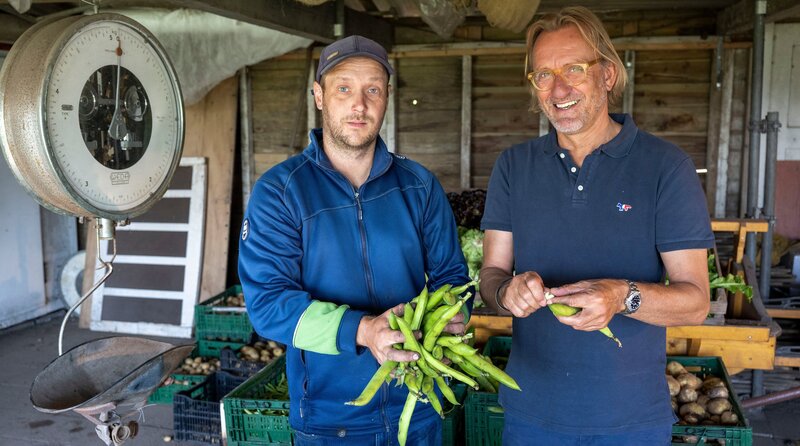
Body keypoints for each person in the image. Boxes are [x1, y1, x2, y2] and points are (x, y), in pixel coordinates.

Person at [479, 6, 714, 445]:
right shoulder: (513, 166)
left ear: (607, 74)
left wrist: (620, 296)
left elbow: (696, 302)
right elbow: (491, 277)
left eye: (574, 69)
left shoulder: (666, 167)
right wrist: (507, 291)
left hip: (631, 422)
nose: (559, 88)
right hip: (531, 417)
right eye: (544, 75)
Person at [238, 35, 471, 445]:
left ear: (387, 97)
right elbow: (268, 305)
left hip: (417, 403)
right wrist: (363, 331)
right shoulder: (281, 191)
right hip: (331, 418)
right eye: (344, 88)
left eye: (372, 90)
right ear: (319, 96)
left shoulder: (419, 185)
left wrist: (456, 312)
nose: (359, 105)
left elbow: (452, 276)